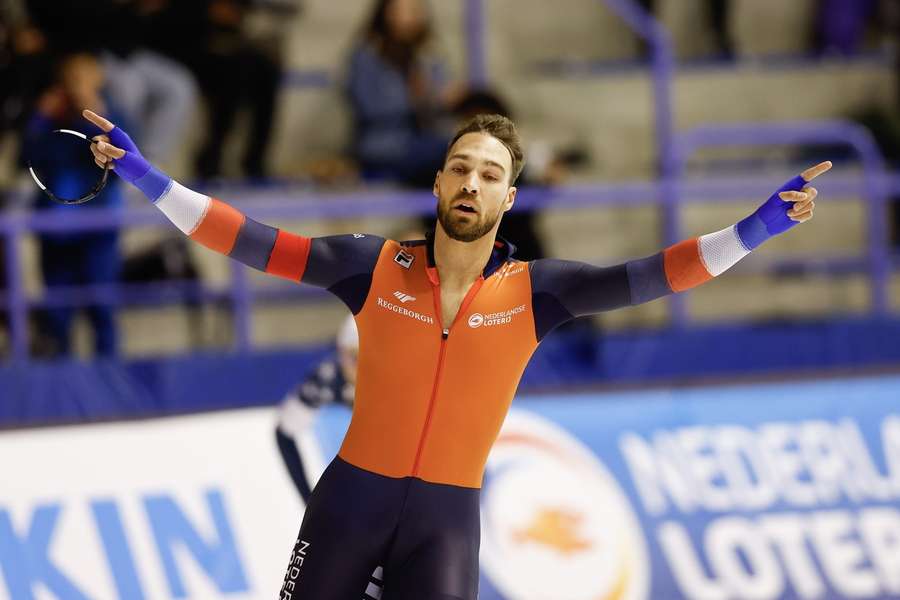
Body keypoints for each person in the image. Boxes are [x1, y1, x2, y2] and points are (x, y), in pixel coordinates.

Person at [85, 107, 828, 599]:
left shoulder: (540, 293)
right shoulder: (368, 267)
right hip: (349, 505)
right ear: (439, 182)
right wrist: (147, 178)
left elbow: (657, 275)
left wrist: (757, 228)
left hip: (444, 524)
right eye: (462, 167)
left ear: (509, 199)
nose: (473, 181)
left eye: (492, 173)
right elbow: (245, 239)